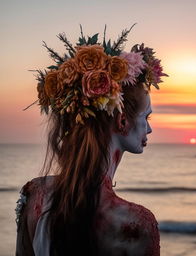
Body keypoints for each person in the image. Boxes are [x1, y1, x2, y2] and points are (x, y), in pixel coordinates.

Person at [15, 25, 168, 256]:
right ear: (122, 121)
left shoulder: (35, 194)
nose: (150, 128)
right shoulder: (136, 224)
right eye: (146, 117)